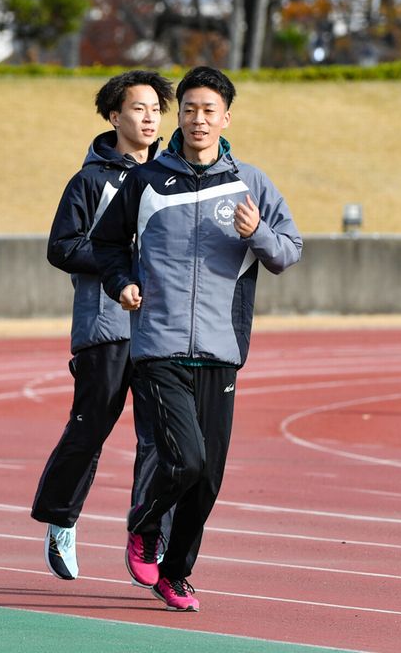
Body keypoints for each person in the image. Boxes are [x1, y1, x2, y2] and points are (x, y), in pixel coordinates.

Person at [92, 66, 302, 612]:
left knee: (208, 477)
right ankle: (143, 526)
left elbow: (287, 252)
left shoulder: (250, 183)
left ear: (226, 117)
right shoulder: (144, 181)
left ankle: (176, 573)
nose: (198, 119)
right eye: (189, 109)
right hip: (158, 345)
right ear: (178, 115)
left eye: (210, 110)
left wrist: (256, 232)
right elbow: (108, 246)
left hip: (222, 348)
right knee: (183, 460)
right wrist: (122, 282)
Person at [31, 70, 173, 581]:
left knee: (161, 439)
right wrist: (125, 263)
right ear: (114, 116)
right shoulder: (91, 180)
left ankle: (146, 534)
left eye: (157, 107)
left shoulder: (171, 178)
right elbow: (61, 247)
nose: (151, 116)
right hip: (107, 326)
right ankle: (60, 520)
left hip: (165, 331)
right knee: (91, 428)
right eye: (139, 108)